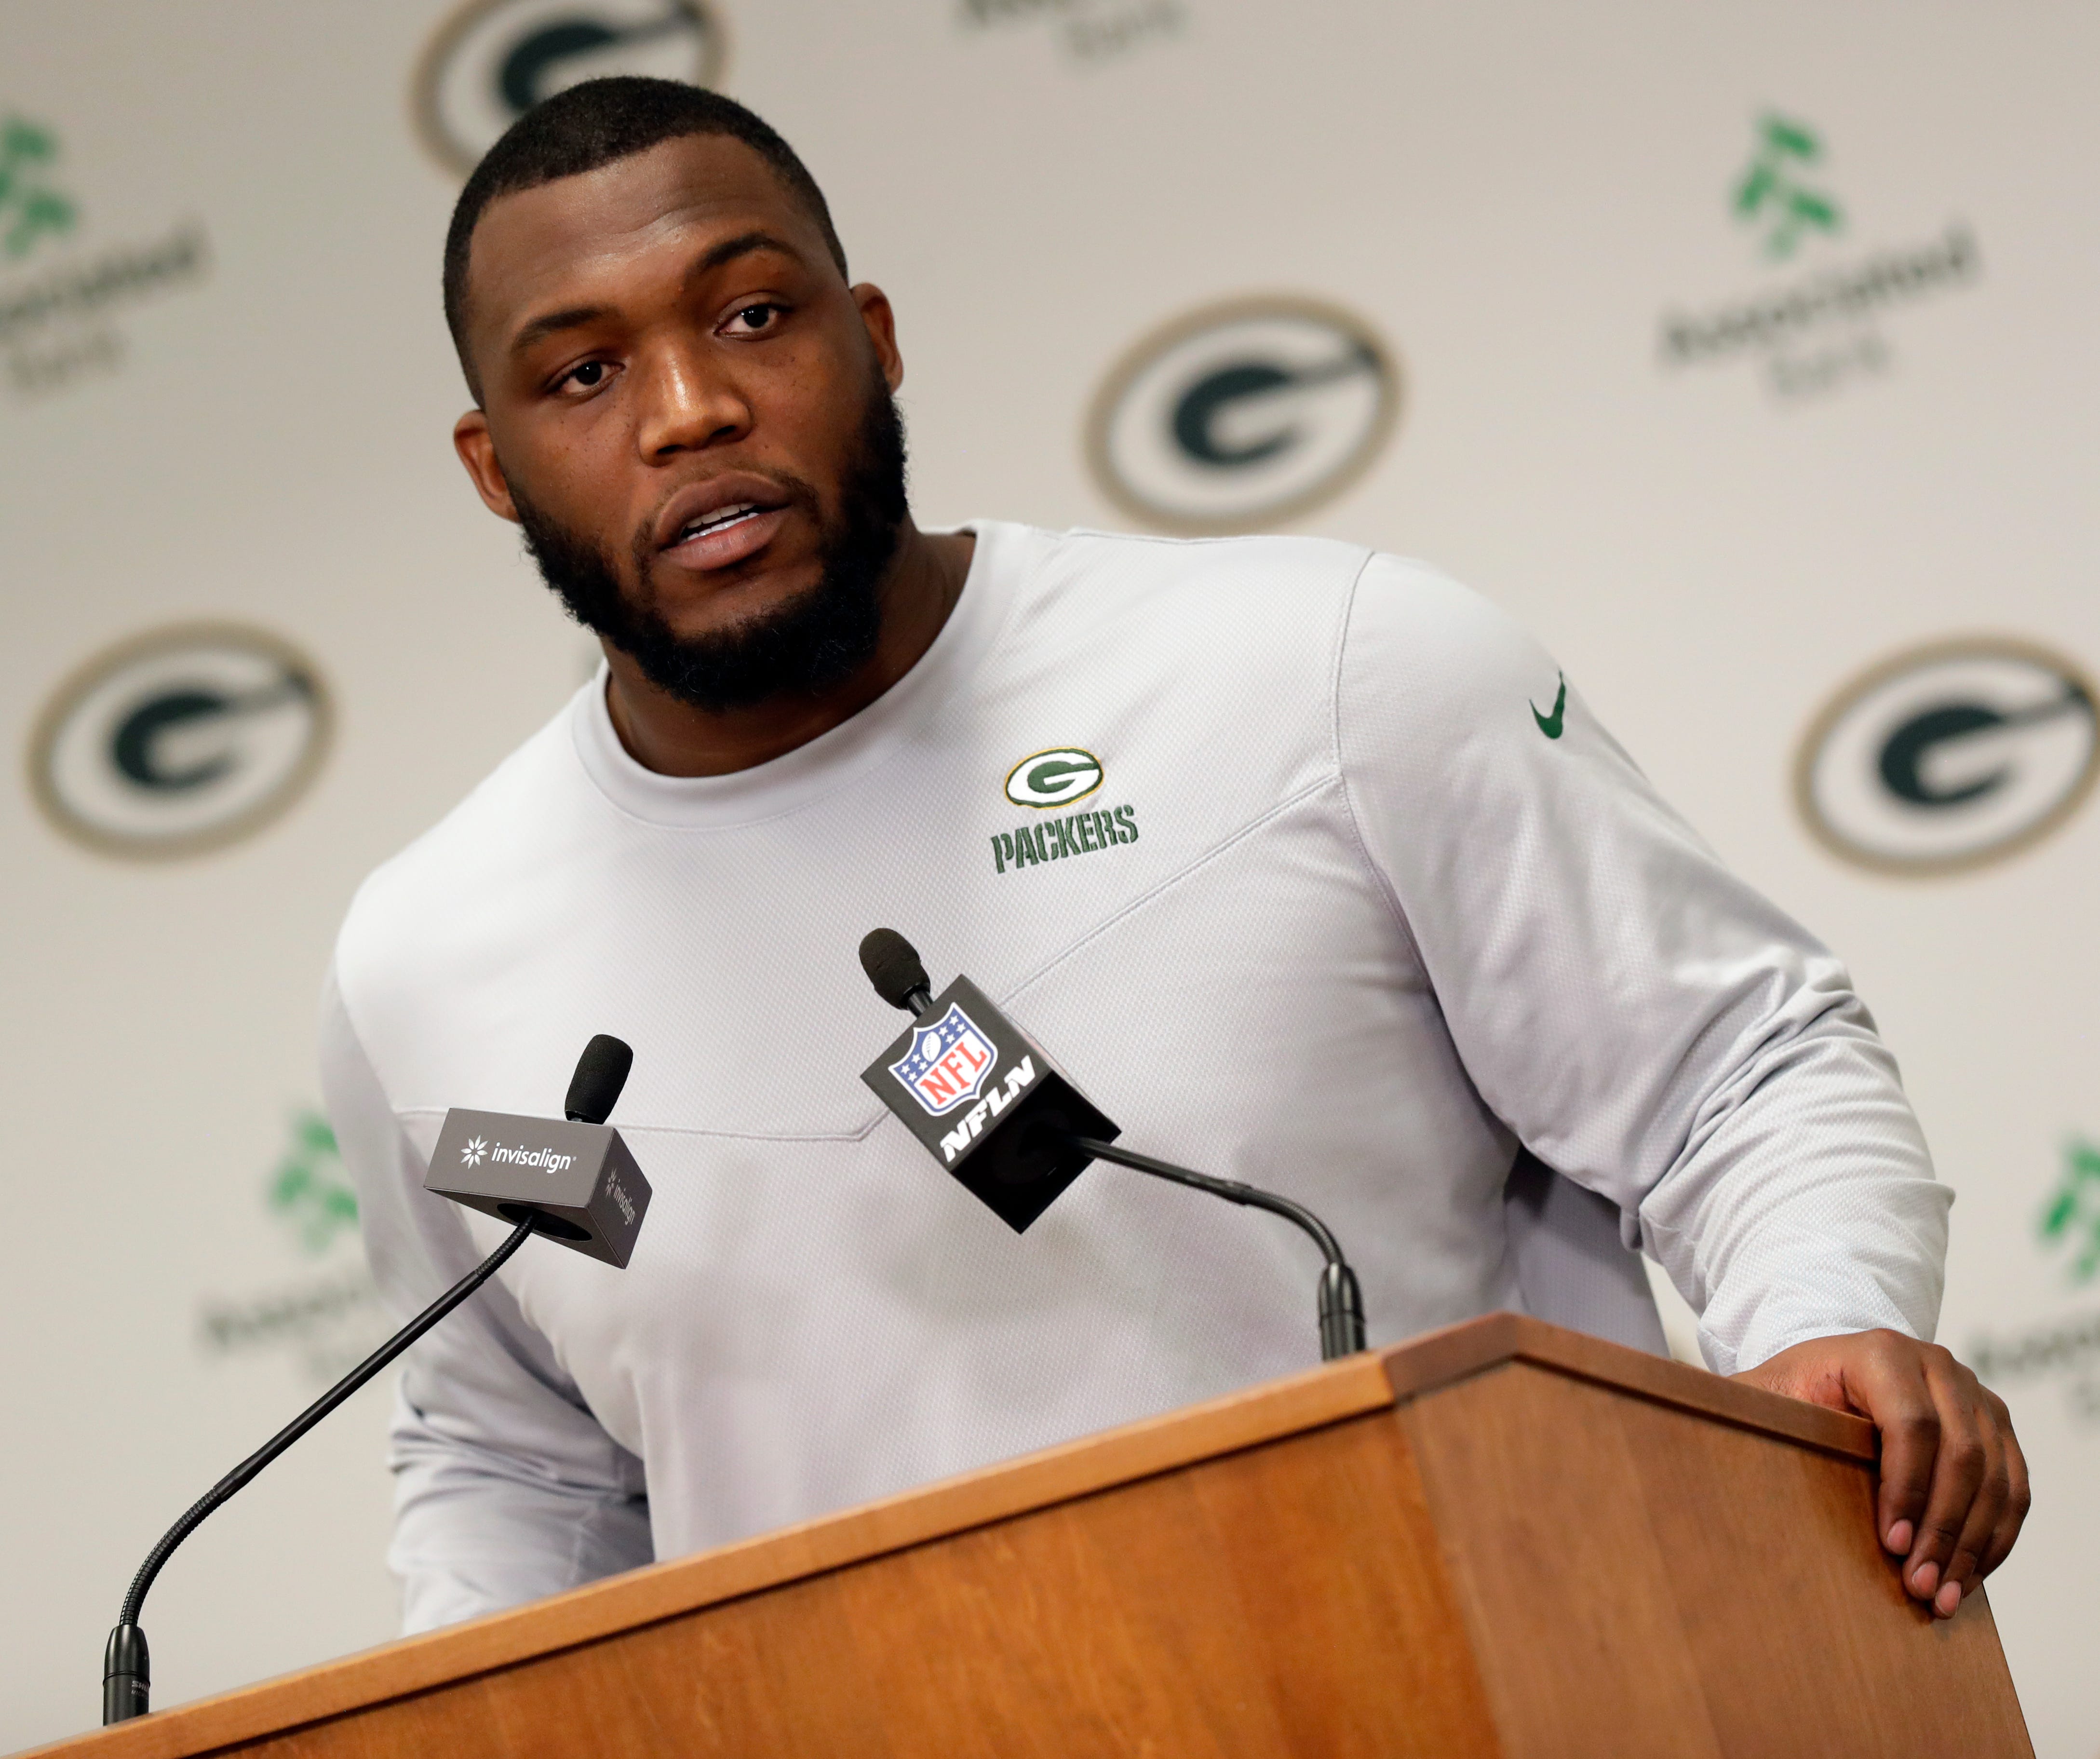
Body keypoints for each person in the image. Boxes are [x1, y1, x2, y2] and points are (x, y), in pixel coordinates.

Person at [323, 76, 2026, 1635]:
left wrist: (1815, 1325)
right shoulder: (427, 962)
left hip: (1495, 1670)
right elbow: (516, 1467)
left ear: (876, 338)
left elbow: (1738, 1073)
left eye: (753, 315)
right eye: (582, 373)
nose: (689, 409)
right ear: (495, 467)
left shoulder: (1323, 673)